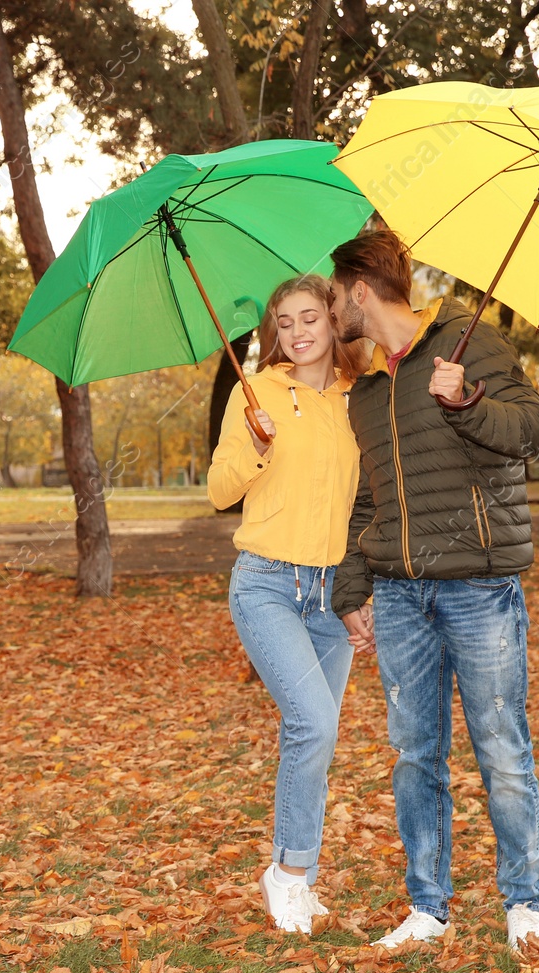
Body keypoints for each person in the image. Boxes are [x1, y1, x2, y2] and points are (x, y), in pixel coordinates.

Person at [327, 229, 539, 953]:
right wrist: (352, 588)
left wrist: (468, 401)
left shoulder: (467, 342)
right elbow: (370, 502)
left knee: (501, 746)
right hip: (398, 597)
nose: (331, 311)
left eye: (334, 297)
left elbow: (531, 429)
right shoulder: (367, 395)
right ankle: (428, 907)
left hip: (480, 590)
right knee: (415, 755)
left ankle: (525, 903)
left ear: (360, 289)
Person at [208, 273, 368, 933]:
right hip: (268, 583)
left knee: (315, 736)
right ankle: (289, 872)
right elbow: (220, 490)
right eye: (285, 321)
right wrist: (259, 448)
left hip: (333, 593)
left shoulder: (357, 398)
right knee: (314, 722)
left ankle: (295, 872)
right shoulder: (258, 393)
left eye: (310, 317)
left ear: (332, 321)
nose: (298, 331)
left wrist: (363, 592)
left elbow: (366, 502)